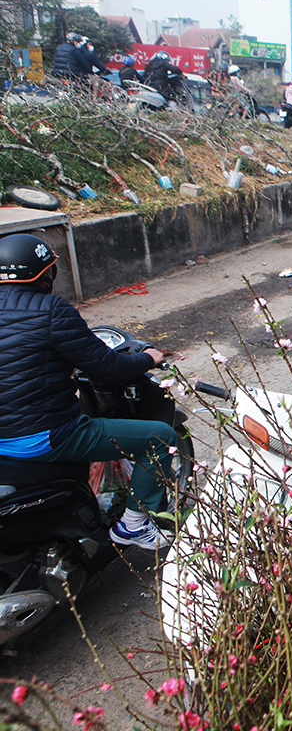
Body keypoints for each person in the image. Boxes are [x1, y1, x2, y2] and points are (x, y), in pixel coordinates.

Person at [0, 234, 176, 551]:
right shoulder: (51, 310)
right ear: (46, 274)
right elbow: (107, 368)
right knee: (160, 437)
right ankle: (134, 526)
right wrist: (149, 357)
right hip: (45, 437)